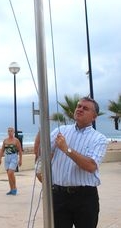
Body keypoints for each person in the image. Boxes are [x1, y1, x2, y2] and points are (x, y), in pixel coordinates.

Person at [41, 96, 108, 228]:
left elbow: (91, 166)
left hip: (85, 198)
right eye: (78, 106)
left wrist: (67, 149)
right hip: (58, 195)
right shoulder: (61, 131)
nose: (80, 109)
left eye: (85, 108)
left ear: (94, 117)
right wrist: (42, 128)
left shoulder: (99, 139)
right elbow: (42, 151)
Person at [0, 127, 23, 195]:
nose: (10, 132)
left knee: (10, 173)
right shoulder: (5, 140)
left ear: (13, 132)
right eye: (8, 131)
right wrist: (0, 158)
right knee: (9, 175)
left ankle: (14, 188)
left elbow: (20, 151)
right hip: (6, 158)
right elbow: (2, 150)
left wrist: (20, 160)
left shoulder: (16, 140)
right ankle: (11, 189)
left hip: (13, 157)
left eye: (11, 131)